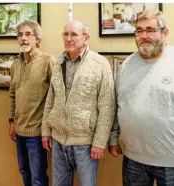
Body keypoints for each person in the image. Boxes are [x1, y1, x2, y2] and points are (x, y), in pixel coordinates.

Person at [41, 21, 115, 186]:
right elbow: (50, 99)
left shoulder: (100, 64)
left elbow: (107, 106)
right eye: (65, 34)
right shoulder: (59, 63)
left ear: (86, 38)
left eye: (73, 34)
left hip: (86, 145)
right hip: (58, 141)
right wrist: (46, 130)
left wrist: (99, 142)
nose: (68, 38)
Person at [109, 10, 174, 186]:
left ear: (165, 33)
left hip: (170, 162)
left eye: (150, 30)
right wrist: (113, 138)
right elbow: (116, 104)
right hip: (133, 159)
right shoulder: (126, 65)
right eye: (139, 30)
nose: (144, 36)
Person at [8, 20, 57, 186]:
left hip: (37, 133)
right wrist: (11, 121)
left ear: (37, 39)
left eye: (28, 34)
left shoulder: (48, 61)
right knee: (24, 171)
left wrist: (48, 129)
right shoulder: (15, 64)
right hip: (19, 130)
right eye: (20, 35)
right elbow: (12, 95)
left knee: (38, 178)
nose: (23, 38)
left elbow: (58, 96)